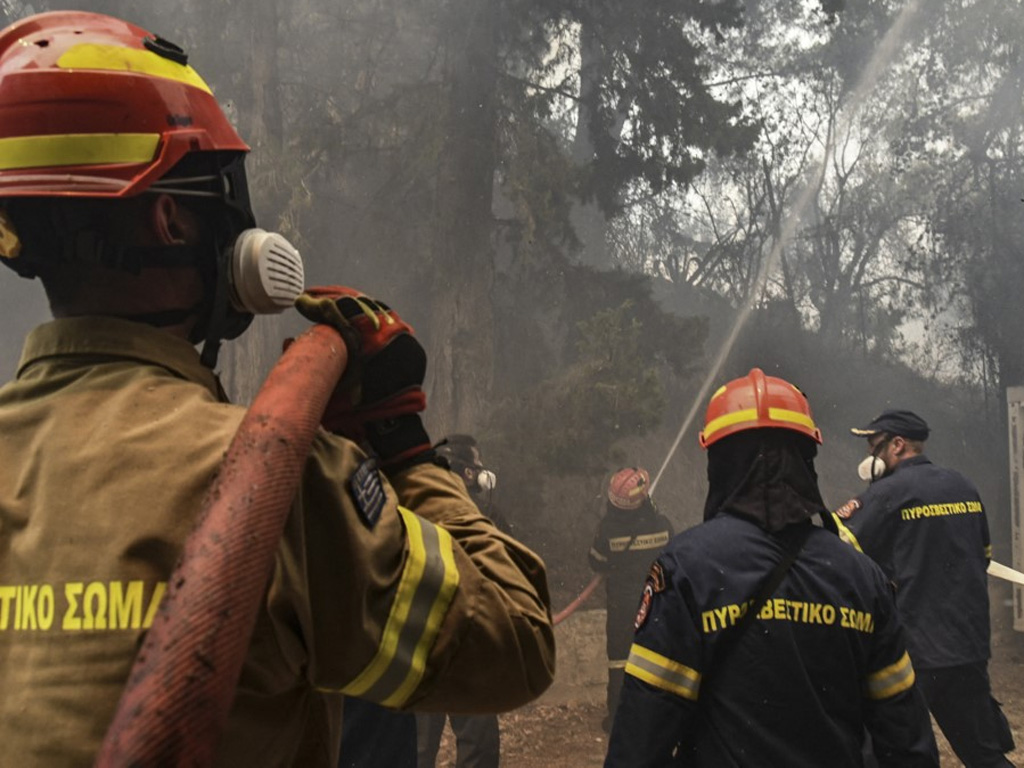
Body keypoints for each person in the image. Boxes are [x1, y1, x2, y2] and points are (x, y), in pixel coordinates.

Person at [0, 12, 554, 767]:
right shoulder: (271, 480)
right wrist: (401, 443)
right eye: (219, 198)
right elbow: (516, 641)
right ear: (171, 219)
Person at [605, 368, 939, 767]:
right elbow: (905, 736)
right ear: (806, 458)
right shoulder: (861, 576)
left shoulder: (687, 570)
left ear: (720, 460)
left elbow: (643, 733)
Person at [835, 409, 1015, 767]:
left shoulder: (886, 494)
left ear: (897, 445)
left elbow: (840, 555)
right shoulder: (963, 485)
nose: (870, 458)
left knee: (880, 751)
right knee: (983, 755)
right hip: (968, 646)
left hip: (915, 652)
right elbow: (982, 557)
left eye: (874, 447)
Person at [416, 435, 505, 768]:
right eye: (477, 466)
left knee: (418, 745)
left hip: (420, 641)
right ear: (469, 474)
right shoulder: (484, 514)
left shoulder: (412, 506)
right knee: (478, 744)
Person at [587, 466, 674, 732]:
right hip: (656, 601)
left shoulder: (608, 530)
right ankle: (658, 714)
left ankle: (617, 718)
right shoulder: (662, 524)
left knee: (619, 660)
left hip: (622, 605)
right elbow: (673, 558)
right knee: (658, 657)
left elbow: (596, 560)